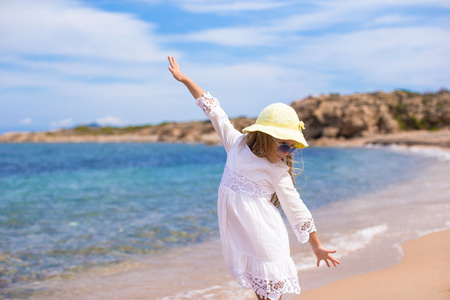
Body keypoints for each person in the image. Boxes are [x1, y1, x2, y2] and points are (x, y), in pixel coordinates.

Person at [168, 56, 340, 300]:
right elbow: (213, 110)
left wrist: (316, 245)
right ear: (265, 136)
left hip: (265, 239)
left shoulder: (277, 170)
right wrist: (185, 80)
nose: (287, 153)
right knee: (262, 294)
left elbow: (297, 209)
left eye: (292, 148)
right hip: (243, 237)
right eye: (284, 146)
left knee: (270, 293)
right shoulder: (235, 143)